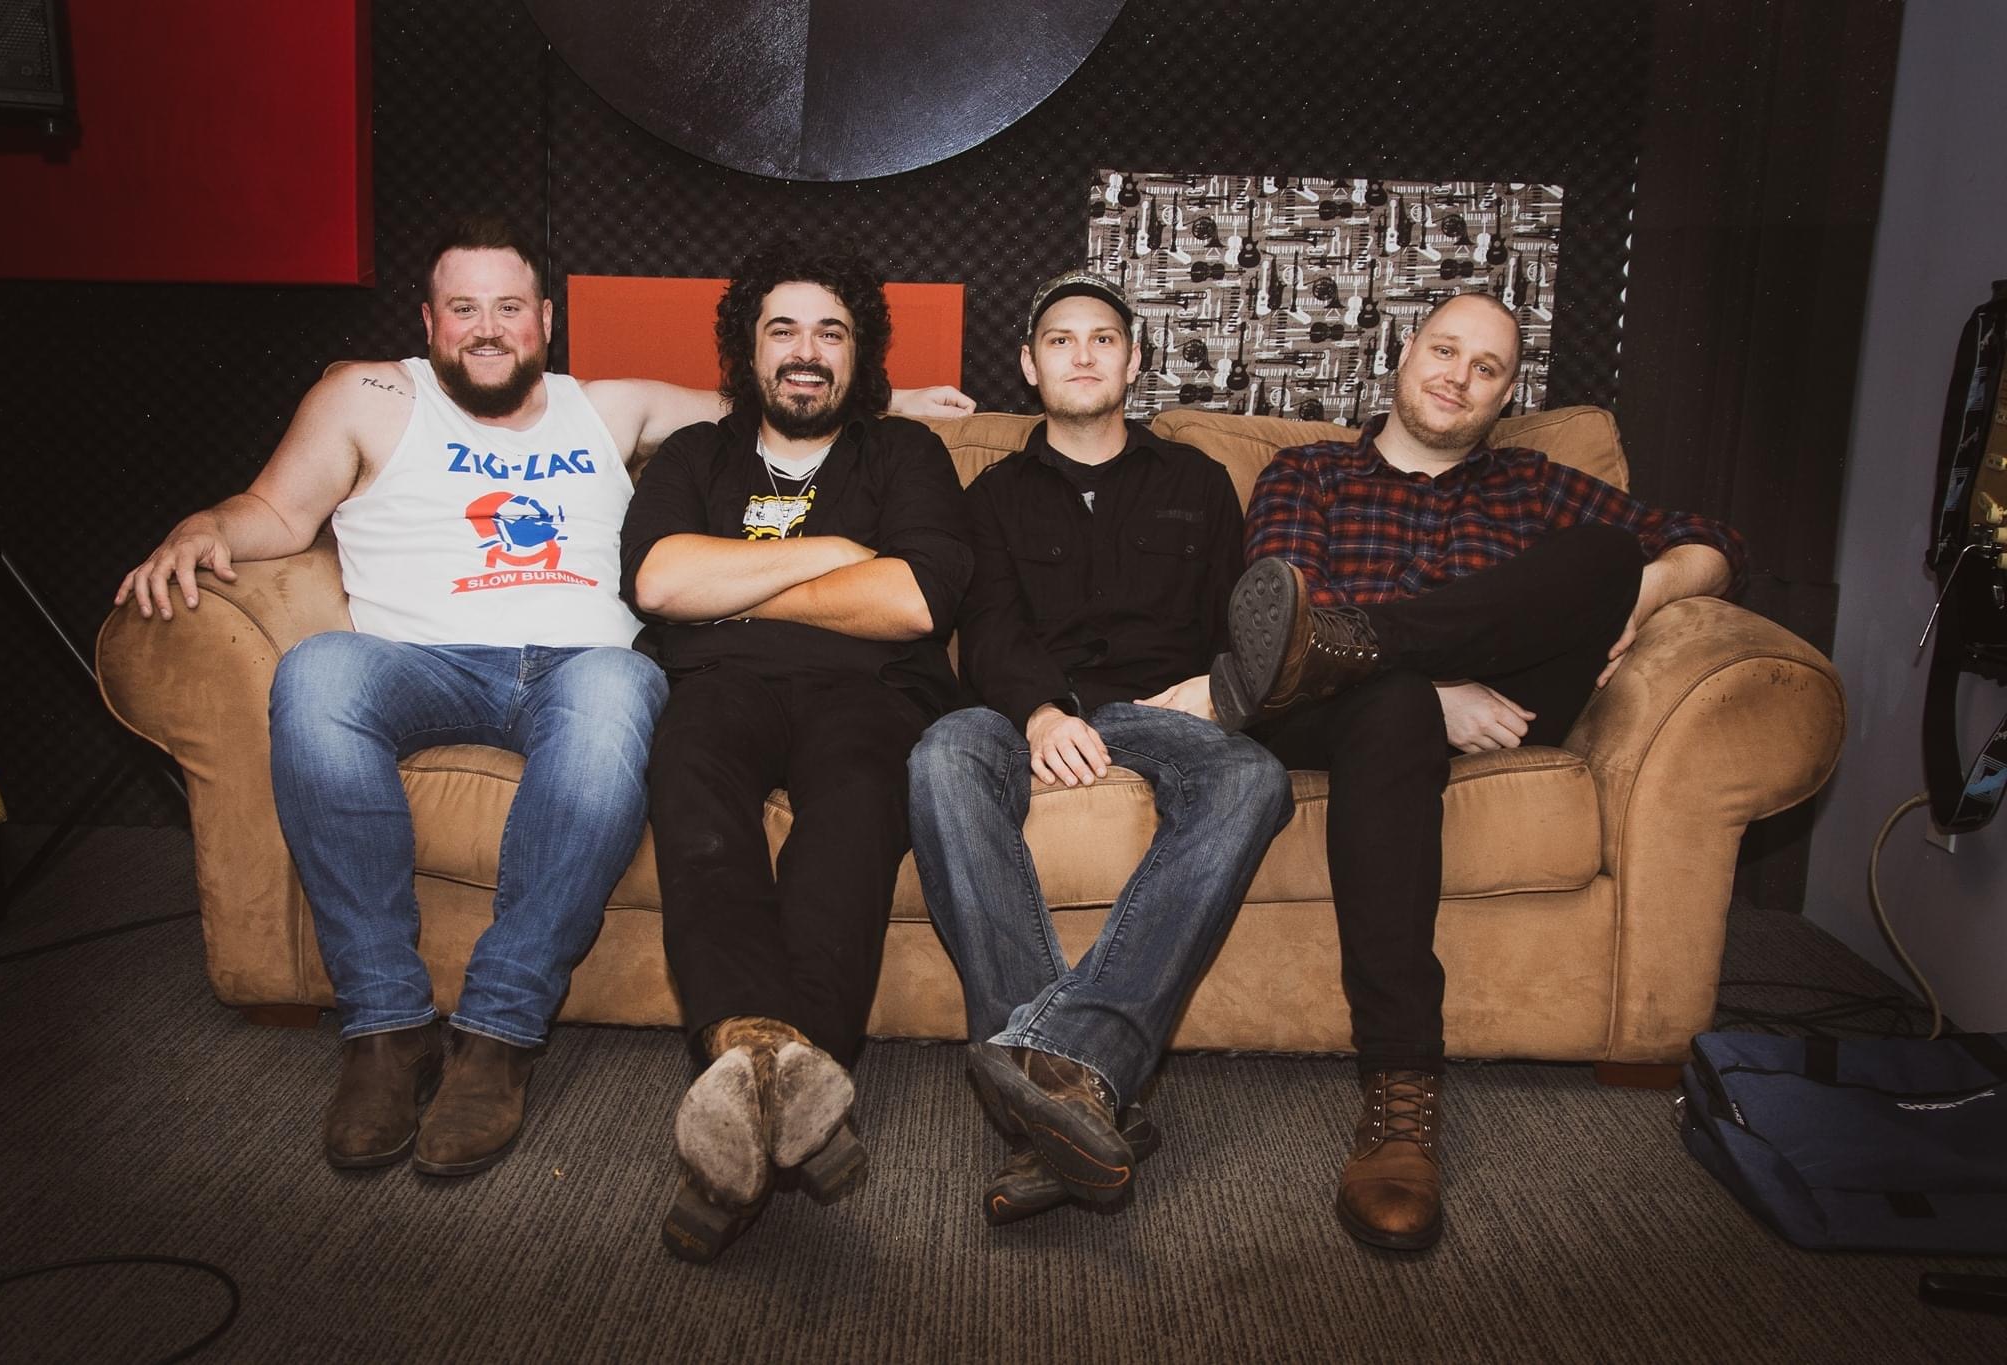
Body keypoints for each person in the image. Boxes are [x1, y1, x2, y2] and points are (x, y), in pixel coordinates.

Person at [113, 215, 972, 1182]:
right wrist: (205, 525)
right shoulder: (372, 395)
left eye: (509, 307)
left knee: (648, 708)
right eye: (465, 307)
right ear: (429, 319)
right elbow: (279, 509)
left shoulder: (610, 408)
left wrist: (895, 413)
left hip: (599, 666)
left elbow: (799, 422)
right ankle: (387, 1025)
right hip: (433, 659)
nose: (488, 327)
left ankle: (526, 1036)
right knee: (315, 675)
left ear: (546, 321)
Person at [1211, 291, 1747, 1250]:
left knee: (1605, 552)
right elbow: (1286, 626)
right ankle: (1401, 1088)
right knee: (1385, 699)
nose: (1458, 377)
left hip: (1499, 695)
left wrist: (1648, 589)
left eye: (1485, 367)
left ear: (1507, 395)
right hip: (1337, 711)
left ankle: (1374, 642)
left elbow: (1716, 541)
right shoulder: (1309, 471)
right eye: (1444, 350)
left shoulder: (1533, 482)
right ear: (1405, 354)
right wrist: (1430, 690)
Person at [906, 272, 1293, 1223]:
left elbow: (1237, 628)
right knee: (941, 754)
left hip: (1158, 711)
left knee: (1254, 776)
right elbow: (988, 629)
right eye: (1061, 340)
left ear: (1134, 359)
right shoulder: (990, 494)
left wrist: (1213, 696)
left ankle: (1055, 1065)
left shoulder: (1197, 482)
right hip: (1019, 713)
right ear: (1029, 365)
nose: (1083, 354)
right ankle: (1078, 1087)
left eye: (1104, 338)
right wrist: (1040, 713)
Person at [620, 238, 973, 1261]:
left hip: (867, 693)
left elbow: (913, 600)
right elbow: (660, 582)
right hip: (718, 689)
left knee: (857, 807)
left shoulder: (905, 455)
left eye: (831, 331)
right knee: (690, 782)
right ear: (749, 350)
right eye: (783, 330)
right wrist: (833, 556)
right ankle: (785, 1080)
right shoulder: (695, 454)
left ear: (859, 354)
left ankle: (751, 1083)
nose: (806, 352)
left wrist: (734, 591)